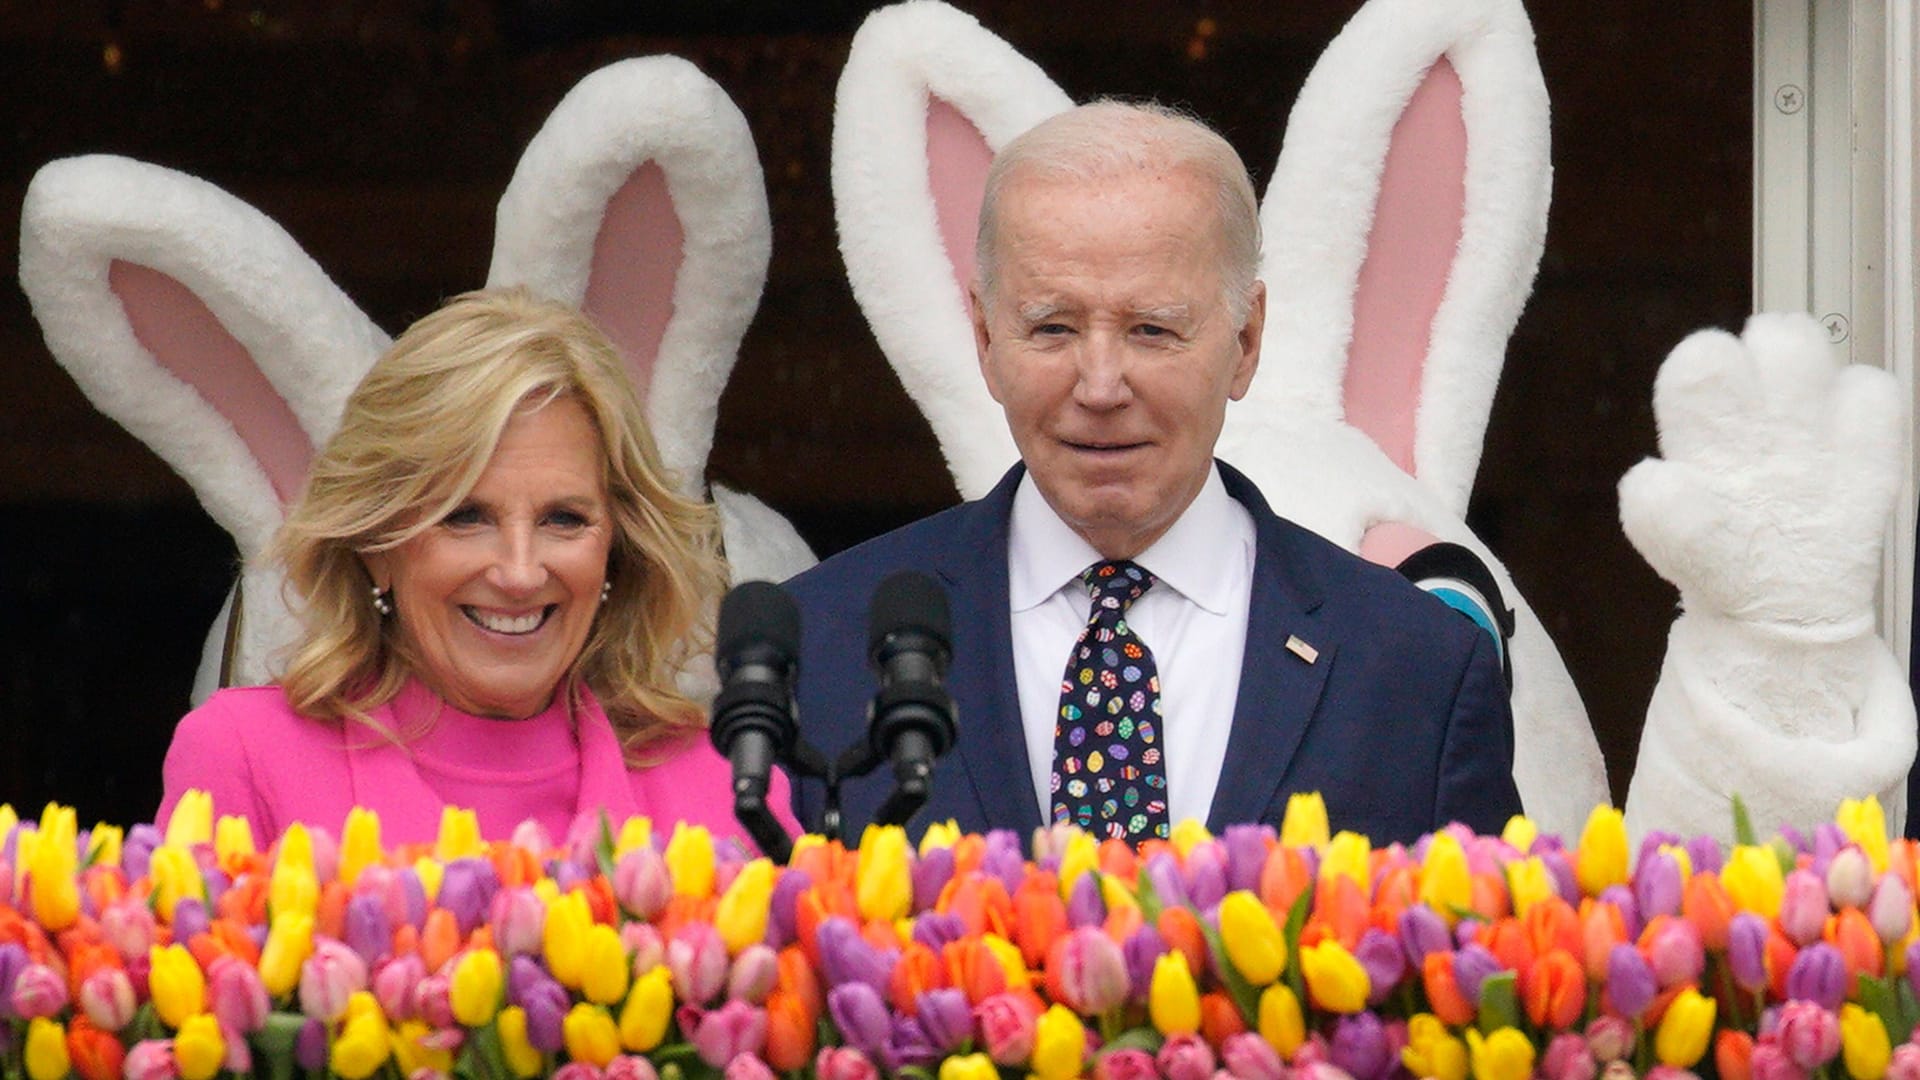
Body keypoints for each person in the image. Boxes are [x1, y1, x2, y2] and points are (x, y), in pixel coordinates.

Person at [785, 101, 1520, 845]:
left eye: (1152, 330)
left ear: (1246, 339)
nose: (1100, 386)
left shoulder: (1417, 667)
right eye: (1053, 328)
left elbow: (1480, 956)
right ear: (984, 337)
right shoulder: (821, 649)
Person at [159, 287, 794, 847]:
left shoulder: (723, 791)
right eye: (466, 517)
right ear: (379, 544)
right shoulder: (244, 756)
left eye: (564, 519)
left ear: (618, 550)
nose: (519, 574)